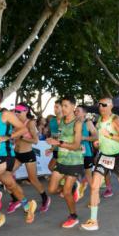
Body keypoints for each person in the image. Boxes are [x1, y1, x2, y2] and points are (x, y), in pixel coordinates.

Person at [0, 85, 37, 235]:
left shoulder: (5, 114)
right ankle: (28, 206)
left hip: (5, 156)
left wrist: (7, 137)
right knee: (10, 185)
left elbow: (24, 129)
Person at [80, 98, 119, 231]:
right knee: (94, 186)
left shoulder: (115, 119)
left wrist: (109, 135)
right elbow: (100, 137)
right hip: (103, 156)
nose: (101, 107)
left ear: (111, 106)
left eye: (104, 105)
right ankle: (93, 220)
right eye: (99, 104)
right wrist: (98, 142)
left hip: (117, 157)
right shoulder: (99, 120)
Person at [47, 96, 84, 228]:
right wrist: (52, 146)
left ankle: (73, 216)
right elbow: (60, 137)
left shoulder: (78, 123)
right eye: (62, 105)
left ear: (73, 107)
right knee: (51, 189)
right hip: (61, 160)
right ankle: (74, 187)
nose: (63, 108)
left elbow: (76, 145)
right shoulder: (61, 121)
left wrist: (58, 143)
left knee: (66, 192)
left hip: (74, 161)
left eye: (66, 106)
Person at [11, 103, 50, 213]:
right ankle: (16, 199)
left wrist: (22, 136)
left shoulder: (30, 123)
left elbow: (35, 140)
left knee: (33, 179)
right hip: (17, 154)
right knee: (7, 175)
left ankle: (45, 198)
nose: (16, 113)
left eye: (19, 111)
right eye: (15, 111)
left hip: (27, 154)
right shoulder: (16, 122)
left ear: (26, 111)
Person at [75, 105, 98, 196]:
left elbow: (96, 136)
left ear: (84, 113)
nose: (76, 112)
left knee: (88, 175)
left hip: (86, 153)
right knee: (74, 173)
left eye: (78, 111)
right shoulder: (74, 123)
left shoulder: (88, 123)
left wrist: (84, 137)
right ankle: (80, 187)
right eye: (75, 111)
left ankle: (95, 196)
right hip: (75, 153)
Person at [47, 100, 62, 173]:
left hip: (64, 149)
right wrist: (51, 148)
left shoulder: (67, 120)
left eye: (57, 107)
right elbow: (53, 135)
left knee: (51, 167)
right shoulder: (52, 120)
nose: (54, 109)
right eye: (54, 107)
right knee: (52, 167)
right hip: (56, 148)